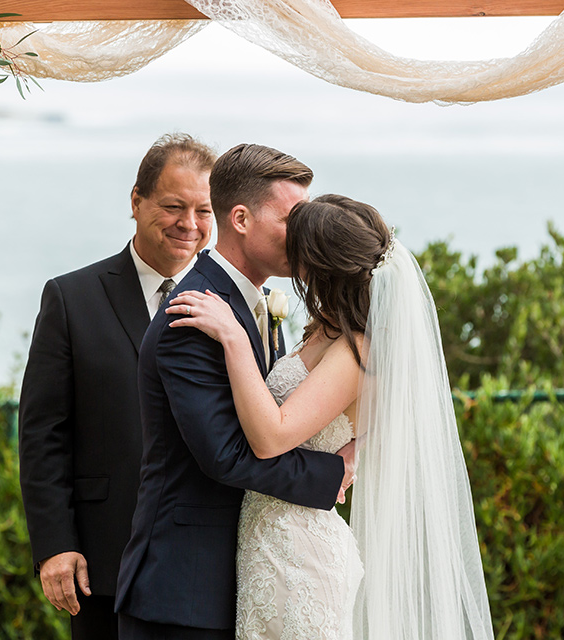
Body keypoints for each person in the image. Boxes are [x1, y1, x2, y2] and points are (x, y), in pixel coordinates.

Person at [167, 194, 495, 639]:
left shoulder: (358, 350)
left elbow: (270, 436)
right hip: (270, 543)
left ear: (320, 267)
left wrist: (233, 337)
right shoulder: (329, 327)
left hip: (299, 554)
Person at [114, 145, 357, 640]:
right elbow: (226, 455)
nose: (307, 232)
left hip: (248, 574)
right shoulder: (195, 314)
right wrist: (335, 470)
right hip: (185, 590)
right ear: (241, 218)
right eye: (294, 218)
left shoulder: (256, 307)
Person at [18, 133, 217, 640]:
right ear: (136, 201)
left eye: (203, 211)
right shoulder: (70, 297)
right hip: (103, 561)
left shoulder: (232, 305)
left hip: (209, 562)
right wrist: (54, 545)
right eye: (173, 206)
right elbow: (43, 432)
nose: (188, 225)